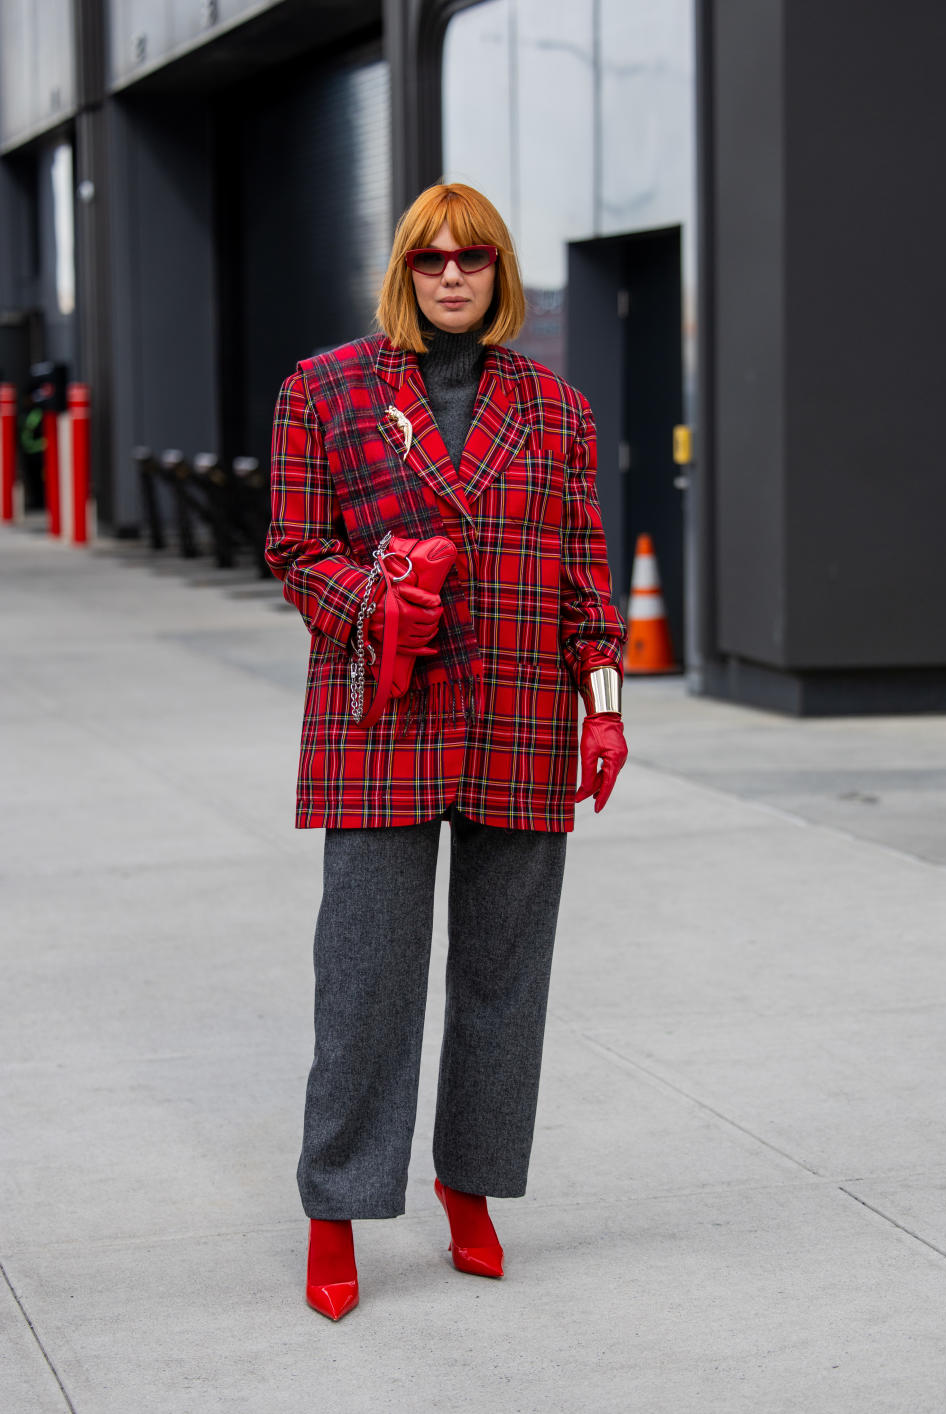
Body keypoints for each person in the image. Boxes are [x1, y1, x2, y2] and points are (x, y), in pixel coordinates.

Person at [266, 182, 628, 1321]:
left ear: (502, 272)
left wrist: (604, 699)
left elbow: (587, 576)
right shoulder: (322, 391)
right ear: (406, 272)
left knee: (504, 981)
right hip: (385, 718)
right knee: (367, 973)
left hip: (523, 720)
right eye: (433, 258)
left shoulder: (558, 411)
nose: (454, 274)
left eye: (475, 256)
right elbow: (291, 545)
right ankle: (337, 1204)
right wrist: (373, 601)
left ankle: (469, 1183)